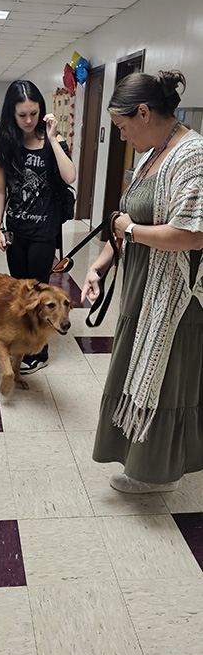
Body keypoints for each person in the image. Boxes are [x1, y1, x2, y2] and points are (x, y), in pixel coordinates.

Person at [81, 70, 203, 493]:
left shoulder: (192, 155)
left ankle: (157, 474)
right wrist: (98, 266)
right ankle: (139, 461)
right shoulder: (152, 153)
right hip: (142, 284)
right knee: (136, 369)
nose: (121, 137)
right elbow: (127, 221)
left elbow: (191, 234)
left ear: (145, 112)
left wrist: (130, 231)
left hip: (175, 296)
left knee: (165, 379)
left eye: (121, 126)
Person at [0, 80, 76, 373]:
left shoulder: (53, 139)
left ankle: (38, 350)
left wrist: (52, 139)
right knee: (20, 290)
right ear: (11, 114)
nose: (29, 121)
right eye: (22, 115)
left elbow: (69, 177)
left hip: (44, 232)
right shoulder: (6, 142)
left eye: (34, 113)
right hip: (15, 230)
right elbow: (0, 190)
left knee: (39, 291)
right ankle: (25, 338)